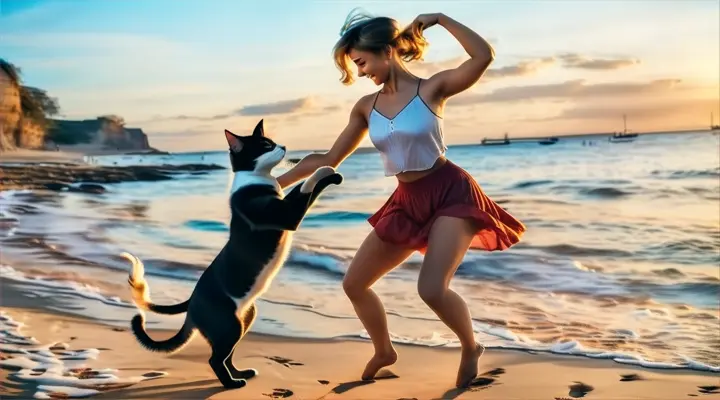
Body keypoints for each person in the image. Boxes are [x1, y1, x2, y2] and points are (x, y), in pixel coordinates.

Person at [276, 9, 526, 388]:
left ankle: (471, 346)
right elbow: (328, 159)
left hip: (449, 193)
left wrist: (441, 19)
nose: (360, 72)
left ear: (386, 52)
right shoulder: (365, 107)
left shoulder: (432, 89)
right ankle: (384, 350)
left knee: (431, 289)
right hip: (406, 200)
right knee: (354, 284)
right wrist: (275, 183)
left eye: (362, 62)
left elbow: (482, 57)